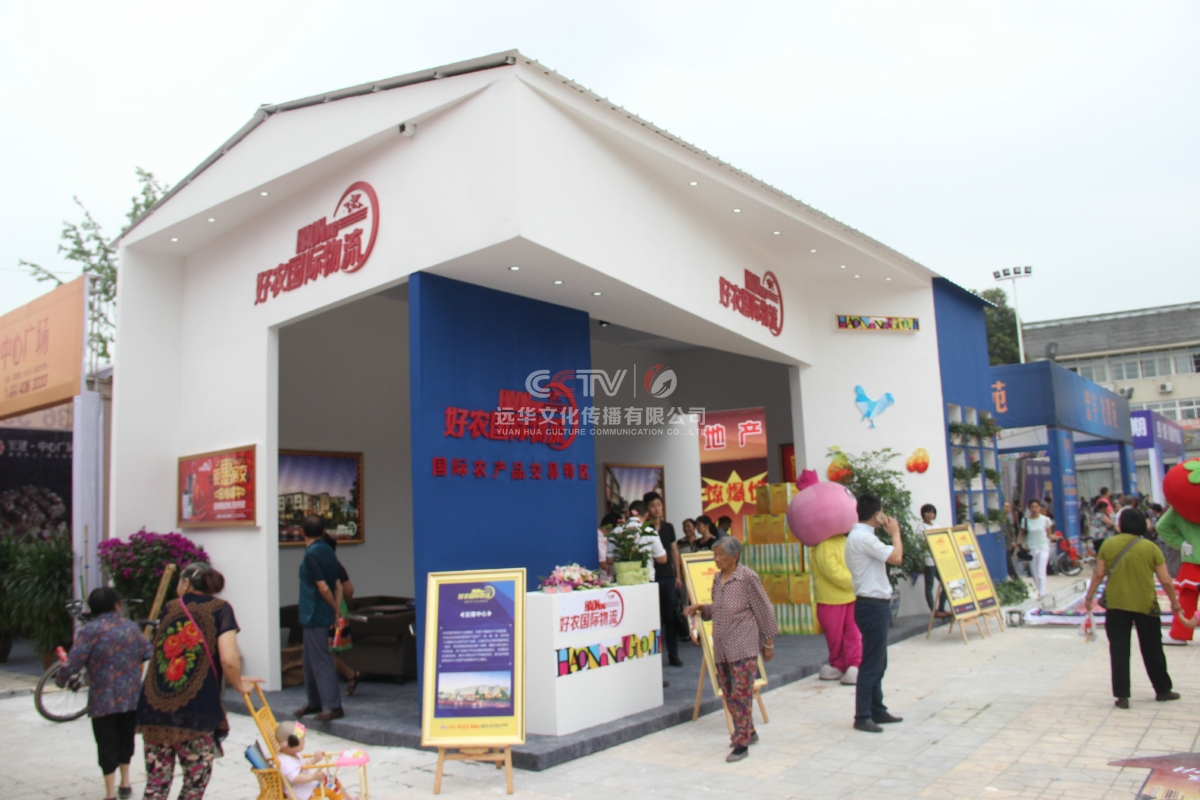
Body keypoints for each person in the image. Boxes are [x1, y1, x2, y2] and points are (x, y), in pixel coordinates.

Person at [138, 562, 258, 800]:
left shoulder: (170, 607)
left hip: (156, 708)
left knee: (157, 783)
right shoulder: (221, 609)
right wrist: (239, 684)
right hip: (195, 711)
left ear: (185, 583)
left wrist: (236, 677)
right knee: (194, 782)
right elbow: (229, 659)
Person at [684, 537, 777, 762]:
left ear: (734, 557)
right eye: (714, 555)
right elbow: (718, 609)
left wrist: (768, 643)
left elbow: (765, 610)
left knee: (741, 695)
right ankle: (749, 731)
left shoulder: (747, 578)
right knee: (728, 693)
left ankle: (741, 743)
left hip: (743, 646)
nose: (716, 559)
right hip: (722, 648)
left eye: (720, 555)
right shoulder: (718, 579)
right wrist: (701, 609)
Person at [57, 587, 152, 800]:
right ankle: (125, 782)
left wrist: (61, 679)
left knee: (105, 742)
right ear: (117, 605)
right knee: (126, 737)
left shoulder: (89, 631)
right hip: (130, 696)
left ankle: (109, 793)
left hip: (102, 698)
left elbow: (74, 662)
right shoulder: (130, 627)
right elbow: (147, 652)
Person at [1084, 509, 1182, 708]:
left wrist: (1089, 596)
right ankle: (1162, 689)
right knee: (1152, 648)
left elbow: (1099, 573)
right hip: (1145, 604)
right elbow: (1165, 580)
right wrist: (1174, 602)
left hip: (1116, 603)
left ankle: (1122, 696)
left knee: (1119, 649)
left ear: (1120, 524)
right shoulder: (1151, 548)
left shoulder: (1108, 544)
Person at [844, 494, 904, 733]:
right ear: (877, 514)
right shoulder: (863, 538)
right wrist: (896, 533)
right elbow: (896, 557)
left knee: (879, 660)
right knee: (872, 662)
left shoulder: (860, 536)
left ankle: (877, 709)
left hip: (871, 604)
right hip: (872, 605)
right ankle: (863, 715)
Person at [294, 515, 344, 721]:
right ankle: (314, 701)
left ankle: (332, 706)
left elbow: (323, 588)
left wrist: (332, 607)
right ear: (323, 531)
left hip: (314, 613)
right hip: (319, 614)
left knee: (321, 660)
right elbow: (338, 585)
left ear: (302, 532)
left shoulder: (311, 555)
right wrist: (337, 610)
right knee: (309, 661)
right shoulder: (329, 551)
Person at [811, 521, 861, 685]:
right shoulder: (828, 545)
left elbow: (836, 572)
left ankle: (851, 664)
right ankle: (846, 664)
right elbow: (833, 571)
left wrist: (852, 581)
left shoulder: (832, 544)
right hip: (835, 599)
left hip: (839, 598)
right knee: (841, 635)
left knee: (848, 634)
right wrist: (855, 581)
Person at [643, 491, 683, 667]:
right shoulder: (643, 528)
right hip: (650, 578)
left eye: (659, 505)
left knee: (671, 617)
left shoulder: (669, 527)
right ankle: (652, 658)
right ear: (647, 509)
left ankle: (673, 655)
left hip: (668, 576)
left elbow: (674, 551)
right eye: (652, 505)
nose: (657, 509)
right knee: (651, 618)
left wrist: (678, 575)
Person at [322, 532, 361, 696]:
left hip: (335, 614)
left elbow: (348, 589)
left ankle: (350, 674)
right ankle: (349, 675)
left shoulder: (334, 566)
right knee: (328, 651)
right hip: (330, 613)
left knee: (327, 651)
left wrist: (339, 605)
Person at [275, 721, 332, 800]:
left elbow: (301, 768)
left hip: (307, 786)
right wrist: (313, 777)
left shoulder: (292, 754)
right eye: (303, 740)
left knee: (332, 779)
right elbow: (294, 778)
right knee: (333, 789)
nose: (304, 742)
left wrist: (314, 760)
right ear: (293, 743)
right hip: (302, 792)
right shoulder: (285, 762)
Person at [915, 504, 947, 617]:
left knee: (946, 584)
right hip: (929, 560)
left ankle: (942, 608)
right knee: (929, 586)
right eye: (928, 512)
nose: (930, 515)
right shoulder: (921, 527)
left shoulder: (937, 526)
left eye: (932, 512)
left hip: (939, 559)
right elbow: (921, 542)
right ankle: (934, 611)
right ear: (923, 514)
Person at [1019, 500, 1053, 599]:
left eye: (1036, 507)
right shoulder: (1025, 520)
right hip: (1031, 548)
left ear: (1040, 508)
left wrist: (1057, 537)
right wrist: (1023, 544)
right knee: (1034, 572)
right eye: (1032, 507)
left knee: (1041, 571)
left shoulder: (1046, 520)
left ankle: (1042, 593)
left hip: (1043, 547)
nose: (1034, 509)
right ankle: (1040, 590)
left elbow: (1049, 534)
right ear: (1029, 508)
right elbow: (1022, 534)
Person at [1001, 501, 1020, 579]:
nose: (1007, 509)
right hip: (1004, 545)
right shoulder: (1001, 519)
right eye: (1006, 506)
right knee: (1009, 563)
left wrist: (1013, 541)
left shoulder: (1008, 519)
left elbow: (1012, 532)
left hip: (1009, 545)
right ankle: (1015, 579)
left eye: (1009, 507)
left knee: (1009, 562)